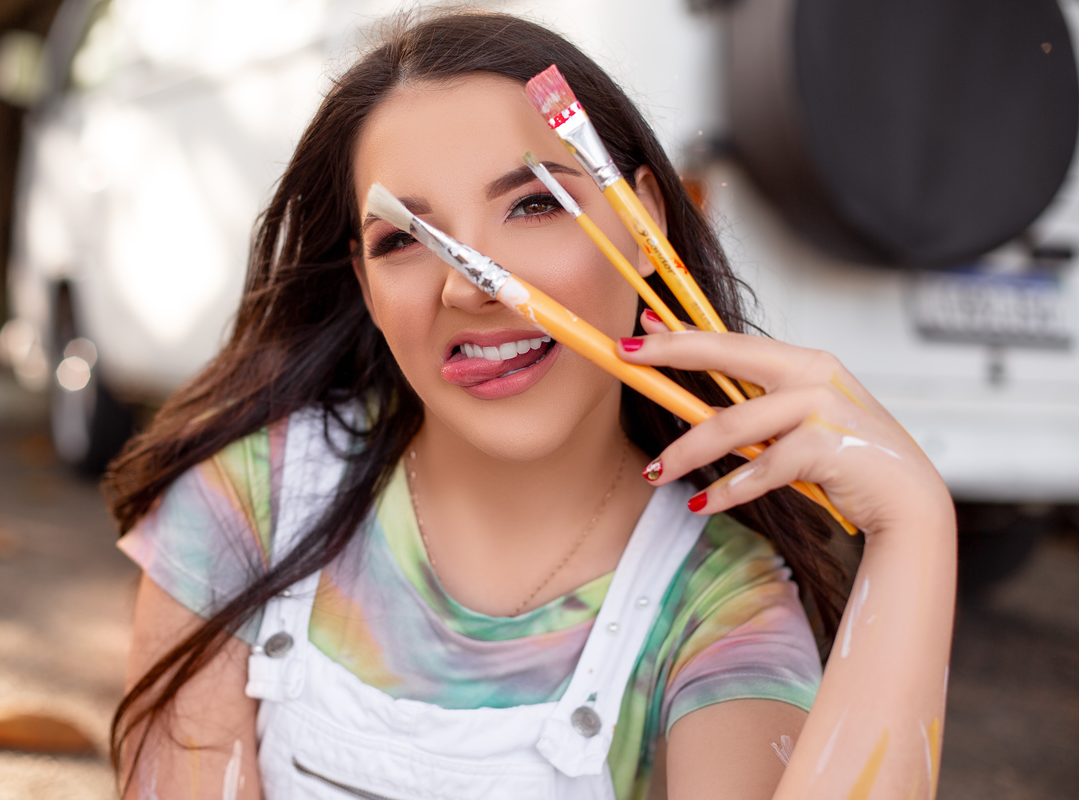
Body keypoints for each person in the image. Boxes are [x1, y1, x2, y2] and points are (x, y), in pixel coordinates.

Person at [105, 10, 956, 800]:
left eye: (536, 204)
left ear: (645, 225)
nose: (475, 283)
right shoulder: (246, 505)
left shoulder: (720, 607)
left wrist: (916, 528)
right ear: (363, 284)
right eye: (405, 237)